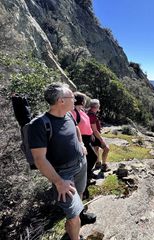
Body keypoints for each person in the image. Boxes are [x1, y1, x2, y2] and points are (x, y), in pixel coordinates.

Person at [28, 83, 95, 240]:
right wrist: (59, 182)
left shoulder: (69, 115)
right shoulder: (39, 124)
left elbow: (76, 129)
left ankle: (81, 216)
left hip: (80, 164)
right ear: (61, 100)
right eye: (71, 97)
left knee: (80, 195)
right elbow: (39, 159)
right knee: (72, 216)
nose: (75, 99)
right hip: (64, 175)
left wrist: (81, 144)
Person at [71, 92, 98, 198]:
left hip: (87, 138)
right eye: (84, 99)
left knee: (91, 159)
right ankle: (83, 185)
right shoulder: (73, 112)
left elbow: (86, 123)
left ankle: (86, 179)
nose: (85, 101)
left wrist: (91, 133)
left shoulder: (81, 111)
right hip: (80, 140)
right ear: (81, 101)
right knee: (90, 159)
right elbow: (74, 128)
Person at [87, 99, 109, 172]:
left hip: (90, 135)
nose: (99, 106)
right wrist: (102, 140)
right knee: (106, 148)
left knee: (96, 148)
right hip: (94, 135)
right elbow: (95, 130)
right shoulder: (92, 115)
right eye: (99, 105)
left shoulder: (89, 113)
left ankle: (98, 163)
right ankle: (104, 165)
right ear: (96, 106)